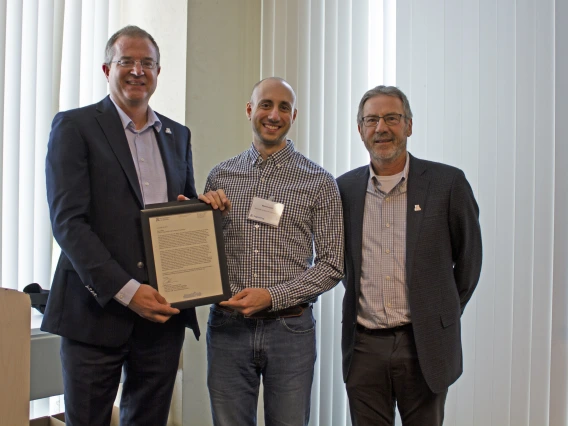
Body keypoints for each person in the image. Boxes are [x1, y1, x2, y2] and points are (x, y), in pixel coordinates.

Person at [42, 25, 201, 426]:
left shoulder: (177, 135)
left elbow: (182, 213)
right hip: (95, 313)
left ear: (158, 72)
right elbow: (69, 223)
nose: (136, 70)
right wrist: (129, 293)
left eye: (146, 62)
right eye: (126, 61)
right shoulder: (75, 127)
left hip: (162, 319)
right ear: (106, 69)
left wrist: (199, 211)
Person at [199, 77, 344, 426]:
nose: (273, 114)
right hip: (228, 328)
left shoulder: (319, 182)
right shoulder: (221, 176)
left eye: (283, 107)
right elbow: (204, 253)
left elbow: (332, 264)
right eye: (265, 104)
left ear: (294, 116)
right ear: (250, 110)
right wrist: (199, 216)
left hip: (290, 330)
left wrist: (272, 296)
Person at [337, 85, 482, 426]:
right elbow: (339, 260)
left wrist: (439, 312)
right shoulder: (344, 190)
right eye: (371, 119)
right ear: (360, 130)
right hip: (364, 348)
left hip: (424, 345)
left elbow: (469, 262)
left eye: (392, 118)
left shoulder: (447, 184)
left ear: (409, 125)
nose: (381, 127)